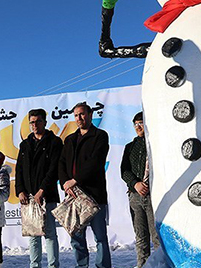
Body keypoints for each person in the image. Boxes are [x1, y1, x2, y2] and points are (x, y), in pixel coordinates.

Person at [58, 102, 112, 268]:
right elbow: (62, 163)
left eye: (82, 114)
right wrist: (66, 184)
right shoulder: (70, 139)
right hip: (73, 195)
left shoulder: (100, 136)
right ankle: (81, 266)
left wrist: (75, 180)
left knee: (100, 237)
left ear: (90, 115)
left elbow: (95, 162)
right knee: (77, 237)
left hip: (94, 195)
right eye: (76, 115)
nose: (79, 118)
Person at [16, 109, 62, 268]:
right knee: (33, 235)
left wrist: (42, 190)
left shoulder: (54, 142)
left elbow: (54, 169)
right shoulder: (25, 144)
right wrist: (20, 190)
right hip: (29, 198)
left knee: (49, 234)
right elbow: (19, 169)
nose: (34, 125)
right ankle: (34, 265)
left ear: (45, 122)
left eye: (37, 121)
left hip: (46, 196)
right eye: (32, 122)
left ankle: (53, 265)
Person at [120, 112, 160, 268]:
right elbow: (124, 170)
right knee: (141, 238)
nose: (138, 126)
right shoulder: (130, 147)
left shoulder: (155, 144)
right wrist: (135, 183)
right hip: (135, 196)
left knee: (156, 237)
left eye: (141, 123)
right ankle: (142, 265)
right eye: (135, 124)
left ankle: (159, 265)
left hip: (153, 196)